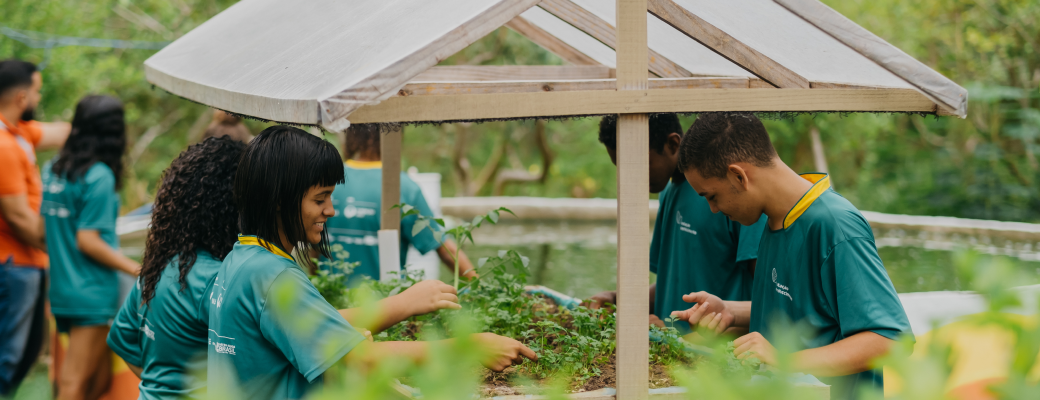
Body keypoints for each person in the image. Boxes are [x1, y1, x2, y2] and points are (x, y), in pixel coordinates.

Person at [107, 136, 472, 399]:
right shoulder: (244, 274)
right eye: (320, 198)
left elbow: (127, 344)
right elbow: (322, 341)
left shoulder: (196, 264)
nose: (331, 210)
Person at [207, 125, 535, 399]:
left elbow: (311, 324)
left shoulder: (241, 260)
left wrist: (404, 303)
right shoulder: (274, 275)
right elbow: (357, 361)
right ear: (280, 201)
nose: (331, 211)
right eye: (320, 199)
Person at [670, 112, 911, 399]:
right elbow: (811, 314)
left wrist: (783, 360)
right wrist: (730, 312)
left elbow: (890, 339)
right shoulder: (774, 220)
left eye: (711, 196)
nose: (713, 209)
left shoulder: (834, 225)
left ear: (738, 175)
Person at [587, 114, 766, 333]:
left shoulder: (734, 199)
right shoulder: (668, 193)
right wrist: (617, 298)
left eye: (639, 165)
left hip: (711, 358)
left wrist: (681, 341)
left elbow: (768, 305)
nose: (630, 178)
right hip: (669, 354)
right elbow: (670, 284)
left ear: (673, 144)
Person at [41, 95, 141, 400]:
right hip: (91, 292)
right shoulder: (99, 176)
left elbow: (42, 228)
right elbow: (88, 240)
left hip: (62, 290)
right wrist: (139, 269)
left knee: (96, 384)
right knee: (73, 383)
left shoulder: (53, 170)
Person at [325, 123, 476, 283]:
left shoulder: (328, 179)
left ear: (351, 136)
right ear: (396, 136)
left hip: (327, 302)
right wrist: (481, 290)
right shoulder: (403, 186)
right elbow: (445, 249)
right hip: (383, 304)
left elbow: (313, 252)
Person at [0, 59, 71, 396]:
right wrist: (68, 248)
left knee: (24, 355)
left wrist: (98, 121)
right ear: (21, 98)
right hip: (12, 266)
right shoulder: (2, 146)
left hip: (30, 265)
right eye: (37, 92)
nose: (39, 98)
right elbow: (19, 220)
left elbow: (63, 131)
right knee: (7, 358)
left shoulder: (19, 132)